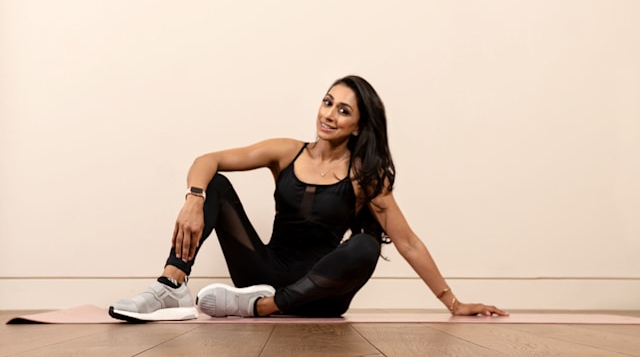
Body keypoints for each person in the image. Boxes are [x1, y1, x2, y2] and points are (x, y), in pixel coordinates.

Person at [109, 75, 509, 322]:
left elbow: (408, 242)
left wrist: (453, 303)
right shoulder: (286, 152)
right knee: (214, 184)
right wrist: (194, 198)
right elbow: (208, 159)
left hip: (319, 293)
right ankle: (170, 284)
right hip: (261, 274)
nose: (329, 114)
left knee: (368, 245)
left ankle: (266, 309)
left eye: (344, 110)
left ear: (358, 126)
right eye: (327, 101)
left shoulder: (366, 178)